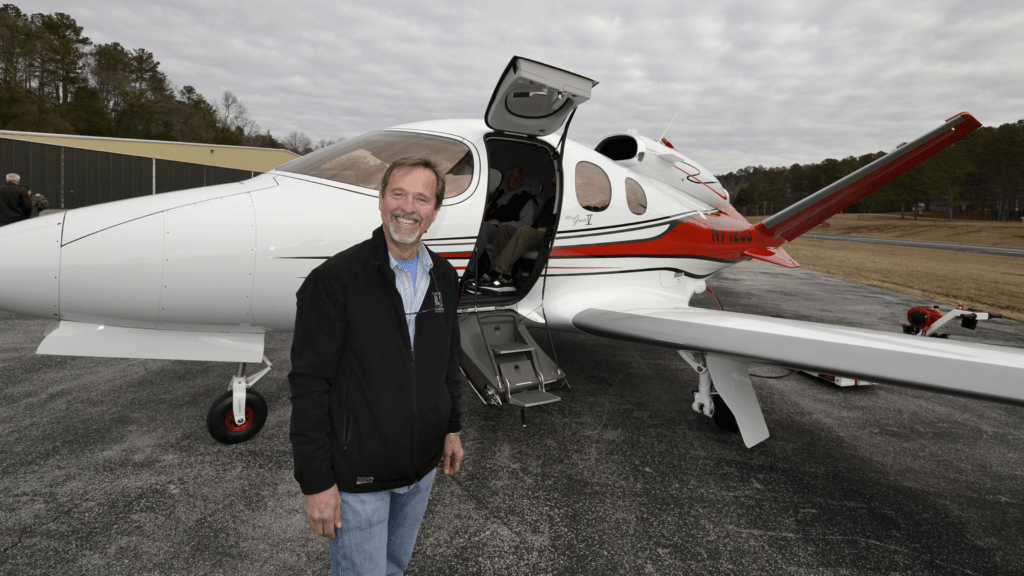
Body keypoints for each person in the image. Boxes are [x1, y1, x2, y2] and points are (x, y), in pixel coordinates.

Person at [289, 157, 464, 575]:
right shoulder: (335, 279)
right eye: (398, 194)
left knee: (393, 567)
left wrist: (451, 426)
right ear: (381, 200)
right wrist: (316, 482)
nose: (408, 207)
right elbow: (309, 382)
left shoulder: (443, 276)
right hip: (358, 477)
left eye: (421, 198)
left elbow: (447, 358)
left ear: (434, 212)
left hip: (420, 470)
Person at [465, 166, 541, 277]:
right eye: (513, 177)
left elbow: (526, 224)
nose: (516, 180)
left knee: (484, 229)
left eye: (519, 178)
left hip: (505, 232)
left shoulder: (527, 199)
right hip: (488, 225)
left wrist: (502, 224)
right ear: (507, 179)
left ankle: (468, 270)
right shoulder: (498, 194)